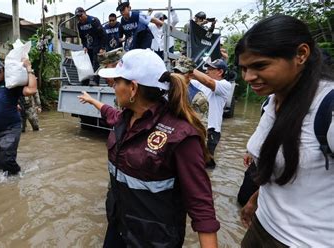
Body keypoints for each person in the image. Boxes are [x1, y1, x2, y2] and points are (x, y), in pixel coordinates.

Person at [78, 49, 219, 247]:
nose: (113, 87)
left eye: (117, 82)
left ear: (133, 88)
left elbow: (201, 205)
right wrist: (93, 101)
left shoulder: (181, 136)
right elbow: (110, 114)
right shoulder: (125, 118)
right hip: (118, 225)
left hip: (154, 240)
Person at [236, 15, 334, 247]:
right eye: (244, 68)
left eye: (260, 65)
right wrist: (255, 199)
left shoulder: (327, 108)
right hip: (262, 226)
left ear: (301, 54)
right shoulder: (272, 101)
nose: (248, 77)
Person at [0, 59, 37, 175]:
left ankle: (17, 177)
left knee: (7, 160)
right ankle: (2, 183)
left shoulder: (11, 86)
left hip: (10, 129)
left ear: (4, 71)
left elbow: (32, 90)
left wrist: (29, 68)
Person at [190, 59, 232, 168]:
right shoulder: (200, 84)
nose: (207, 71)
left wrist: (189, 68)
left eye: (210, 69)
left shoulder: (225, 85)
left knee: (207, 162)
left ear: (220, 72)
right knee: (195, 160)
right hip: (199, 127)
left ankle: (209, 181)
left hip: (211, 131)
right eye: (207, 69)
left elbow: (208, 82)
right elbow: (186, 80)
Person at [75, 7, 107, 86]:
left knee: (96, 62)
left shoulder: (94, 21)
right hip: (88, 46)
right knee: (86, 63)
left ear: (85, 13)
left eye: (81, 15)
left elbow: (103, 35)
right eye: (78, 17)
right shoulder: (79, 25)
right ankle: (85, 81)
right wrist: (84, 46)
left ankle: (95, 81)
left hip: (97, 45)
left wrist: (102, 48)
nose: (80, 18)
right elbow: (82, 37)